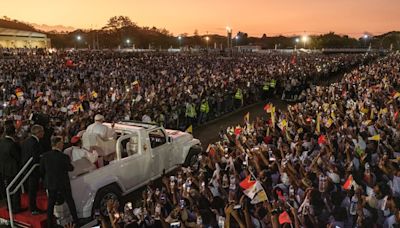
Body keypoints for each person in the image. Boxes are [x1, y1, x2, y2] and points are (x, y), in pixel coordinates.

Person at [40, 136, 79, 227]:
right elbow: (70, 168)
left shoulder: (45, 156)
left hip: (51, 183)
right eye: (61, 143)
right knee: (70, 201)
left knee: (51, 203)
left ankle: (50, 224)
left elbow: (41, 170)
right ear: (58, 144)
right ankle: (76, 220)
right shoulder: (64, 156)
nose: (62, 145)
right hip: (63, 183)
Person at [21, 124, 45, 215]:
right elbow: (35, 157)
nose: (43, 133)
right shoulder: (34, 143)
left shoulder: (27, 141)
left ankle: (33, 207)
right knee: (32, 190)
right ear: (38, 133)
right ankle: (33, 208)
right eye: (42, 131)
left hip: (28, 169)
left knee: (32, 190)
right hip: (32, 170)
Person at [0, 123, 22, 213]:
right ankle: (16, 208)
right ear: (14, 132)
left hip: (4, 170)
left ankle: (9, 206)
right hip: (13, 171)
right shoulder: (12, 144)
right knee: (15, 189)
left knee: (8, 189)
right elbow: (18, 157)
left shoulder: (1, 142)